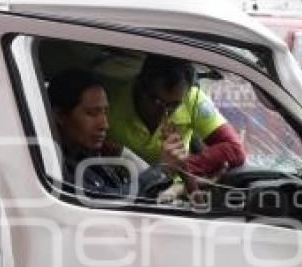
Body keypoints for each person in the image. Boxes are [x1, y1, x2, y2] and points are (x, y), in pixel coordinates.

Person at [105, 54, 245, 181]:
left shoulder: (193, 99)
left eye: (174, 105)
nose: (163, 112)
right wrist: (161, 169)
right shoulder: (109, 99)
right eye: (156, 101)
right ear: (140, 84)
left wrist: (183, 167)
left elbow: (235, 149)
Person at [47, 69, 170, 199]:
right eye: (92, 113)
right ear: (60, 115)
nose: (104, 125)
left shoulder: (90, 155)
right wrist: (161, 170)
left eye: (105, 112)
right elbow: (107, 203)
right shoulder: (55, 165)